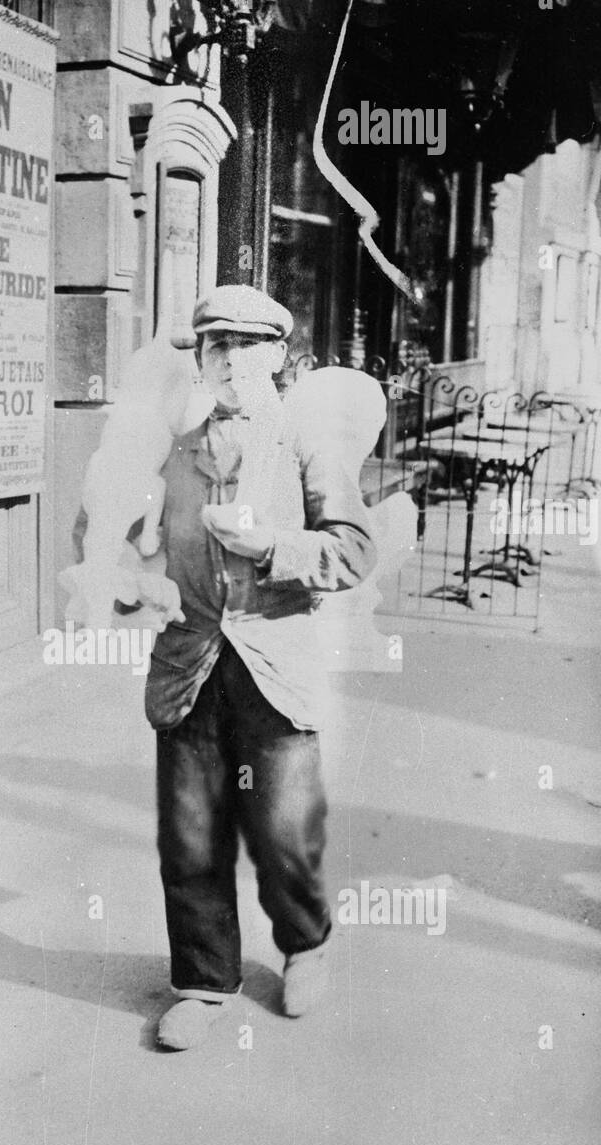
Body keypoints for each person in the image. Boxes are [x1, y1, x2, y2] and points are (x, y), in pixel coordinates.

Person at [143, 285, 378, 1050]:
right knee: (190, 836)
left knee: (282, 831)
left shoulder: (305, 442)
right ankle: (205, 983)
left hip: (276, 665)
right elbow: (125, 536)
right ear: (203, 360)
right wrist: (129, 573)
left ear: (277, 356)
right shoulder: (175, 441)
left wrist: (272, 547)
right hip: (190, 660)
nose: (233, 359)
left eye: (249, 345)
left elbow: (353, 548)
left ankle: (306, 945)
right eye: (218, 345)